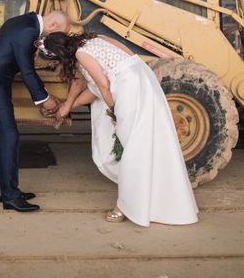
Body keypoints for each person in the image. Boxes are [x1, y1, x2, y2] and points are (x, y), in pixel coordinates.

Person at [42, 31, 198, 226]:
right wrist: (67, 106)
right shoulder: (93, 39)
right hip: (143, 80)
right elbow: (93, 86)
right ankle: (153, 199)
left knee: (131, 149)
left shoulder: (81, 55)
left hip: (128, 88)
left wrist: (115, 112)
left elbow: (104, 86)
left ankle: (125, 206)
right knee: (148, 141)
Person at [0, 11, 71, 212]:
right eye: (61, 34)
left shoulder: (25, 20)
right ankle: (10, 196)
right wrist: (45, 99)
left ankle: (4, 188)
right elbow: (27, 71)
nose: (60, 39)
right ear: (53, 25)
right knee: (8, 138)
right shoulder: (27, 31)